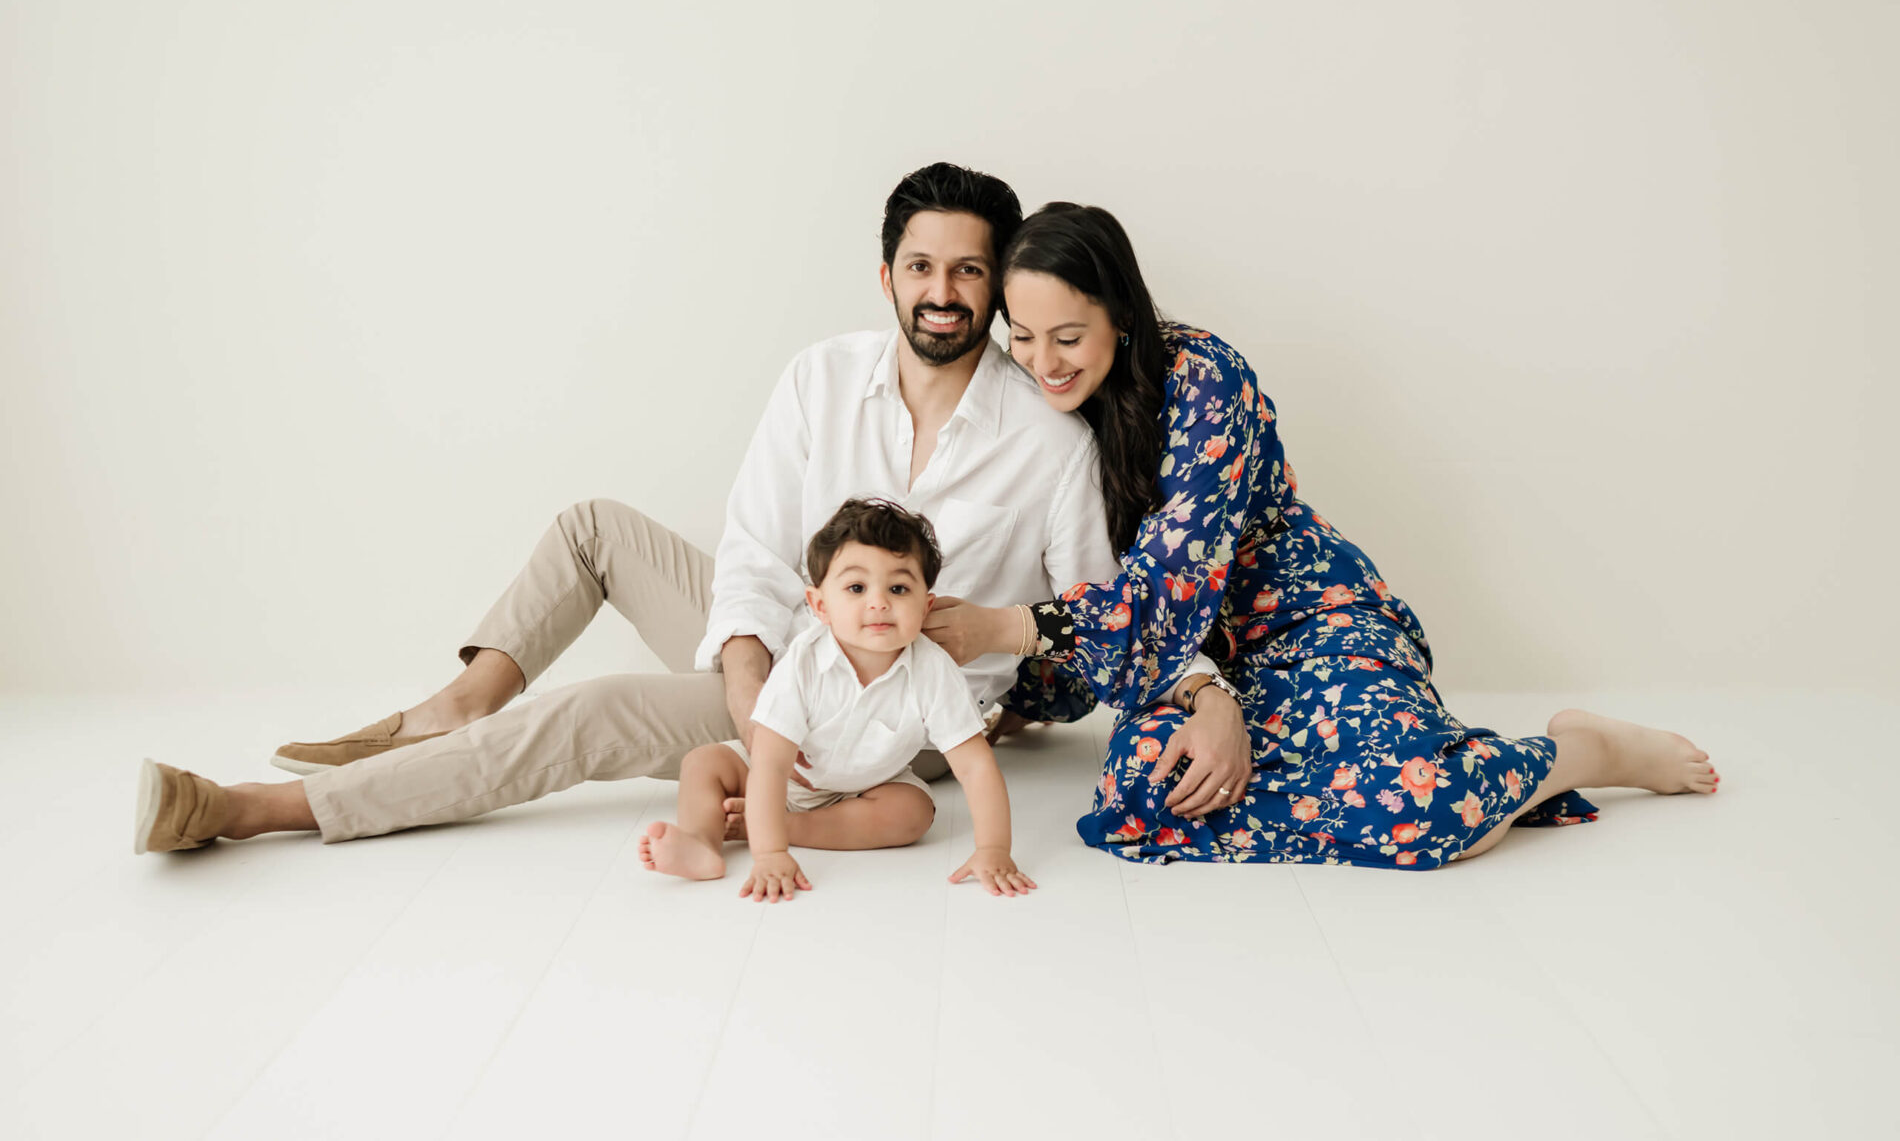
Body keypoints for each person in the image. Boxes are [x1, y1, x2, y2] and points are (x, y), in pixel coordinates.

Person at [133, 164, 1116, 856]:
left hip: (882, 713)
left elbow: (1098, 613)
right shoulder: (822, 376)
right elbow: (755, 545)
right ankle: (453, 711)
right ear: (885, 277)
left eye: (967, 271)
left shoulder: (1045, 436)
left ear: (997, 288)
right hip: (788, 646)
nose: (940, 292)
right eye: (919, 267)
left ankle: (263, 809)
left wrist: (1041, 683)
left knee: (592, 715)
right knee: (595, 525)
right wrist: (745, 669)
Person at [922, 203, 1719, 869]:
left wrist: (1012, 631)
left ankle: (1578, 755)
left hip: (1303, 621)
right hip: (1187, 665)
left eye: (1068, 335)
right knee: (1135, 795)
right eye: (1021, 336)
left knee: (1423, 811)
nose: (1041, 362)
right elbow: (1074, 568)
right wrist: (1028, 697)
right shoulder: (1031, 409)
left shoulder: (1202, 379)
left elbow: (1166, 587)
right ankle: (1404, 785)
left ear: (1121, 317)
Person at [638, 498, 1034, 900]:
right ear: (820, 605)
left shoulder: (933, 670)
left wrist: (993, 849)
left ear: (926, 605)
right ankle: (701, 842)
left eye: (898, 588)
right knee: (703, 763)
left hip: (868, 787)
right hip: (785, 779)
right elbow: (772, 766)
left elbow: (976, 768)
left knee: (913, 813)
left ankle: (783, 828)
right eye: (857, 588)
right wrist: (770, 854)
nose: (878, 602)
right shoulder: (804, 662)